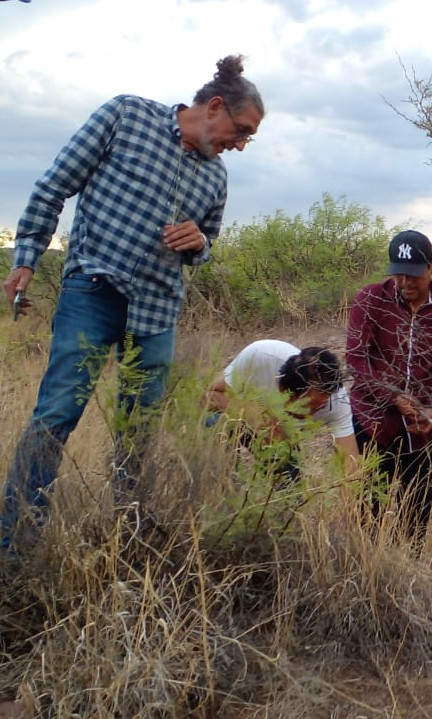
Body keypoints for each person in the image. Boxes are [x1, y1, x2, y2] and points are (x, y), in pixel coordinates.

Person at [1, 55, 264, 548]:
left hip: (157, 314)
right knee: (56, 415)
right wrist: (26, 259)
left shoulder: (217, 177)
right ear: (213, 106)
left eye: (249, 137)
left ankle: (127, 539)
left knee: (139, 433)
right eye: (242, 129)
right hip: (94, 292)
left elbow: (209, 244)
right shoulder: (125, 116)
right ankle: (17, 544)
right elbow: (53, 186)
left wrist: (199, 244)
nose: (242, 144)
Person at [346, 230, 432, 549]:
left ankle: (409, 570)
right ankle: (366, 569)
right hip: (373, 422)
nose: (404, 282)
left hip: (422, 427)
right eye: (398, 274)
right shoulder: (370, 299)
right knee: (368, 506)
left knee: (417, 508)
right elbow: (356, 358)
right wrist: (393, 397)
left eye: (413, 274)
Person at [204, 340, 360, 481]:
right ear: (284, 390)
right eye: (307, 406)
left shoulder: (337, 401)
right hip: (238, 418)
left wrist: (348, 508)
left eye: (320, 407)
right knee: (212, 422)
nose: (311, 416)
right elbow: (208, 396)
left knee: (289, 488)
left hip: (281, 440)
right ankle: (219, 484)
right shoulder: (260, 357)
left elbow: (350, 463)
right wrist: (253, 413)